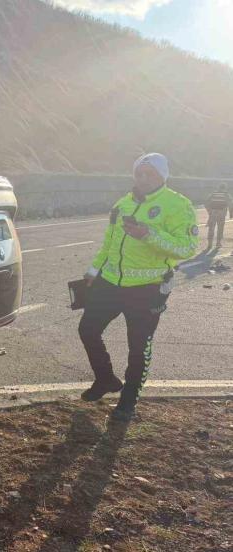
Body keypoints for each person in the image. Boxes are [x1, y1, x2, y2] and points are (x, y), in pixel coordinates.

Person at [78, 153, 199, 421]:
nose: (143, 179)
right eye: (139, 174)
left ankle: (128, 400)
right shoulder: (123, 203)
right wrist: (94, 270)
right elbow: (109, 242)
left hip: (148, 289)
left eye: (150, 174)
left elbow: (187, 247)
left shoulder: (178, 205)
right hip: (110, 283)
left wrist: (148, 235)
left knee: (138, 346)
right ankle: (106, 378)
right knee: (87, 329)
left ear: (162, 176)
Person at [205, 183, 232, 249]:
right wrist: (231, 214)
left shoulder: (213, 194)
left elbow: (206, 203)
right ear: (225, 188)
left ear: (218, 188)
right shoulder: (226, 195)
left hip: (213, 213)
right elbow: (230, 204)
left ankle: (209, 244)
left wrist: (210, 212)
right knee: (220, 229)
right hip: (221, 214)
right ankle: (218, 243)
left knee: (211, 229)